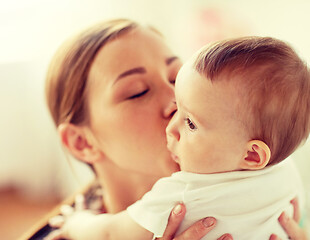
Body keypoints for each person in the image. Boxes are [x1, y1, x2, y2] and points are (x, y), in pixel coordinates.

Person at [45, 19, 307, 240]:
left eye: (175, 78)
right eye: (139, 92)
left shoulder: (281, 198)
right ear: (82, 142)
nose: (175, 102)